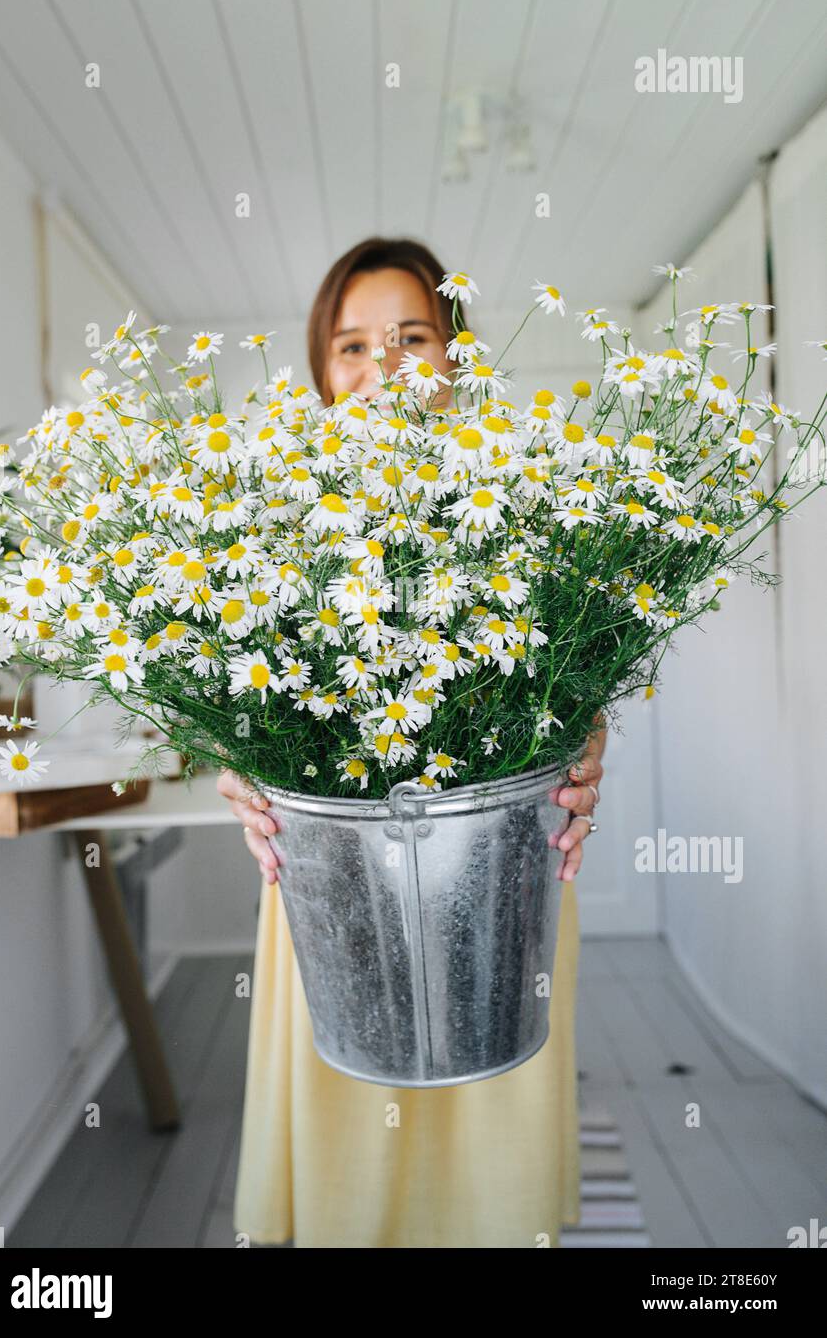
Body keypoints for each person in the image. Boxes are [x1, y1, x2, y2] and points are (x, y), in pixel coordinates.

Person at [218, 236, 606, 1248]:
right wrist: (227, 759)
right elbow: (224, 688)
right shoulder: (265, 522)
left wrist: (588, 741)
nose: (381, 366)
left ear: (457, 353)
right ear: (318, 371)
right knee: (343, 1135)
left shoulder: (522, 501)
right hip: (328, 885)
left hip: (498, 873)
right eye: (350, 345)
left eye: (410, 337)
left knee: (490, 1148)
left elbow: (575, 672)